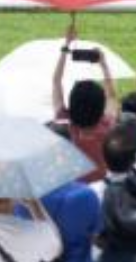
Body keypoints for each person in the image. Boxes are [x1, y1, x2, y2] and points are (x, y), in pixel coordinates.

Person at [50, 39, 117, 181]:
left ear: (72, 102)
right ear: (100, 104)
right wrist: (103, 63)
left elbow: (56, 81)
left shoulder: (63, 121)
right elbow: (111, 95)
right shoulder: (108, 123)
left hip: (71, 185)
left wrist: (65, 48)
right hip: (100, 186)